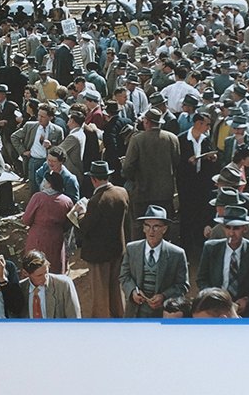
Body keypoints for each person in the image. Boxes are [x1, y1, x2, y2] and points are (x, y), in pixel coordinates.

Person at [197, 205, 249, 318]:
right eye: (228, 227)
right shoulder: (211, 248)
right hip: (217, 310)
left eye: (236, 228)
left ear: (245, 229)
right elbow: (201, 279)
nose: (231, 233)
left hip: (248, 311)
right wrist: (215, 297)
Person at [75, 160, 129, 318]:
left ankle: (102, 322)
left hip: (98, 254)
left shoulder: (96, 201)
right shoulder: (122, 192)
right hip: (117, 249)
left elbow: (85, 226)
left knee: (100, 293)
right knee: (116, 289)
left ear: (93, 179)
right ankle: (120, 317)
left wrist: (81, 212)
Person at [119, 205, 190, 318]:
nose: (151, 231)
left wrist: (163, 296)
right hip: (135, 312)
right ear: (143, 228)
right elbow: (124, 276)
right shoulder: (132, 249)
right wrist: (132, 292)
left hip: (162, 313)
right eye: (147, 226)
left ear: (164, 229)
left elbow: (183, 285)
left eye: (156, 226)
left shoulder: (177, 254)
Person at [122, 108, 181, 240]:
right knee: (163, 228)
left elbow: (127, 168)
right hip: (165, 194)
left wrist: (132, 178)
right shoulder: (172, 138)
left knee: (140, 229)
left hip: (142, 193)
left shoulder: (137, 139)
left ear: (147, 122)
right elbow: (177, 163)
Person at [176, 112, 219, 253]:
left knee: (201, 213)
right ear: (198, 123)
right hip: (186, 184)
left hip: (202, 185)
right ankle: (186, 246)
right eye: (207, 124)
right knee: (187, 214)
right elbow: (176, 162)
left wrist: (211, 159)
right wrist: (187, 162)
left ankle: (199, 245)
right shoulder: (181, 139)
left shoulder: (206, 140)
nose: (208, 128)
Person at [21, 171, 74, 274]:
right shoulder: (67, 201)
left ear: (49, 184)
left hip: (37, 237)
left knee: (34, 265)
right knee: (55, 266)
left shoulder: (38, 197)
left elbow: (26, 219)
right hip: (56, 237)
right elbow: (69, 223)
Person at [11, 103, 65, 194]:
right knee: (33, 186)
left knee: (49, 187)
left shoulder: (57, 130)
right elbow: (14, 137)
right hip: (33, 161)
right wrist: (23, 151)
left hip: (49, 163)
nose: (39, 118)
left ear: (50, 117)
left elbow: (61, 149)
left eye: (43, 116)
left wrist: (51, 146)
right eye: (39, 115)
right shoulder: (30, 126)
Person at [17, 249, 81, 318]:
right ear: (26, 273)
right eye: (39, 275)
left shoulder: (63, 285)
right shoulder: (20, 289)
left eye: (46, 272)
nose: (45, 278)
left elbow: (74, 318)